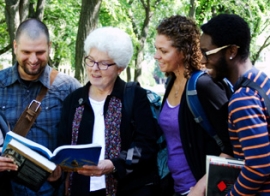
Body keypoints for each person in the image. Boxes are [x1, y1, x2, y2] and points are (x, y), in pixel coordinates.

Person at [58, 26, 159, 196]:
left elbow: (146, 145)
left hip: (127, 188)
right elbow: (63, 145)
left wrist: (114, 165)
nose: (94, 68)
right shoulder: (74, 101)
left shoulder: (135, 97)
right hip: (81, 188)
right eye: (90, 60)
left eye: (104, 63)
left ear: (120, 68)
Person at [154, 15, 234, 196]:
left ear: (183, 52)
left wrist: (201, 187)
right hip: (177, 188)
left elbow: (233, 142)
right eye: (156, 49)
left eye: (163, 51)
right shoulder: (170, 84)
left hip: (202, 190)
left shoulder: (204, 86)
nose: (156, 55)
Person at [0, 18, 81, 196]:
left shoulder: (68, 87)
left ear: (49, 47)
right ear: (14, 47)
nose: (33, 59)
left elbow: (82, 139)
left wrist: (65, 166)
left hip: (53, 191)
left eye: (40, 52)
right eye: (26, 52)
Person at [200, 13, 270, 196]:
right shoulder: (262, 82)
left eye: (207, 53)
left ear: (231, 51)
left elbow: (258, 167)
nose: (202, 60)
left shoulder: (243, 99)